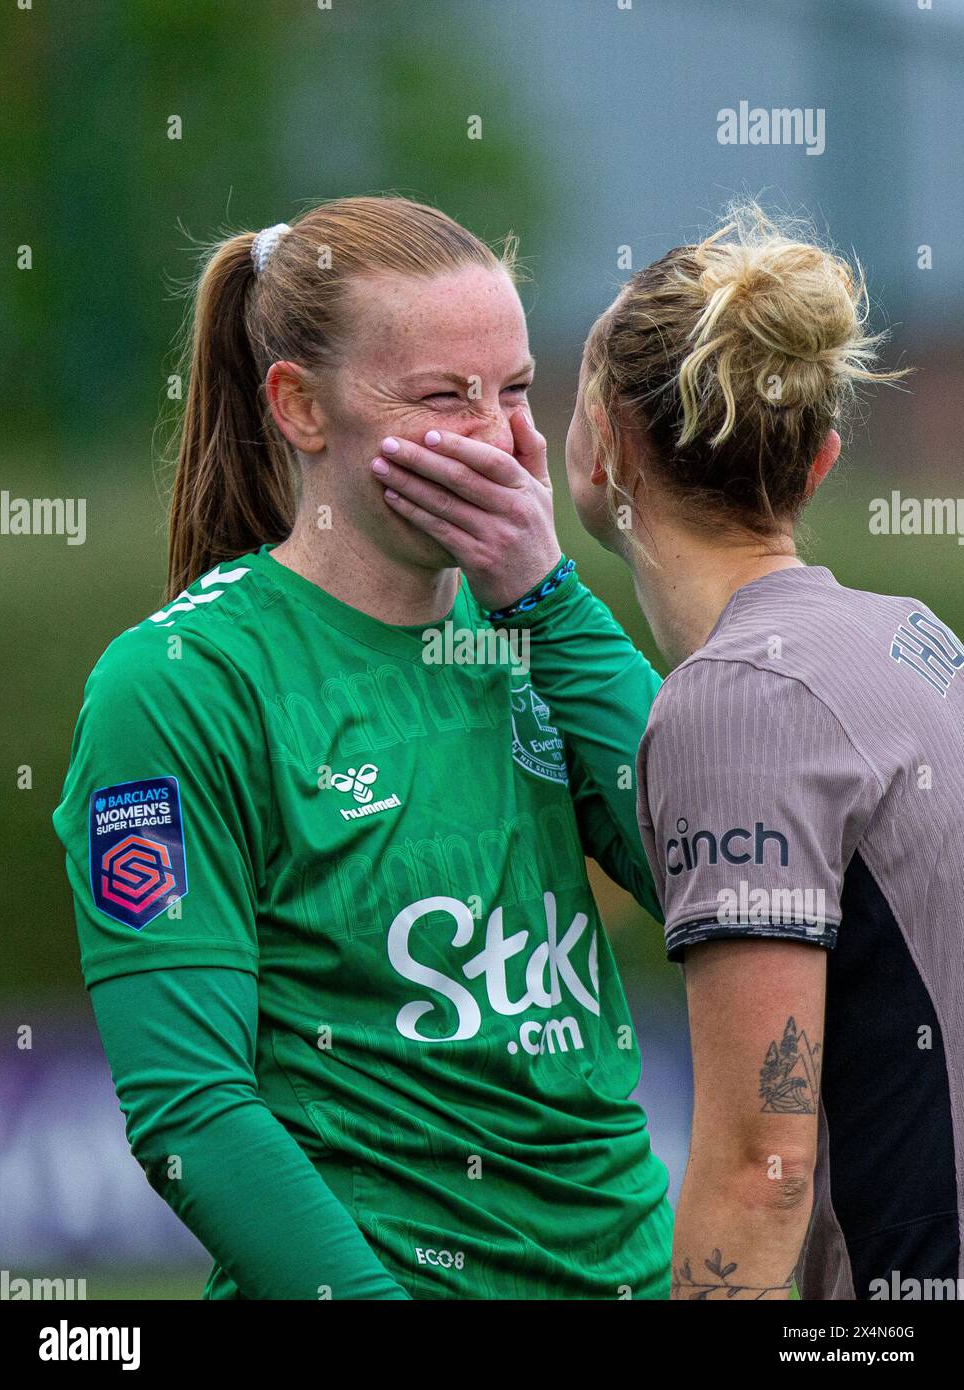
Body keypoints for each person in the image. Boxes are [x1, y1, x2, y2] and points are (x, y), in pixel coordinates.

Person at [52, 195, 675, 1300]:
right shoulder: (178, 686)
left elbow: (708, 873)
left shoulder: (538, 628)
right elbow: (189, 1107)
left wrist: (554, 603)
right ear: (299, 407)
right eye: (445, 397)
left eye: (518, 391)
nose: (498, 438)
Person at [384, 202, 963, 1301]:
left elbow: (761, 1171)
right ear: (822, 461)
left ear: (604, 444)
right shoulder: (910, 637)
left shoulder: (736, 702)